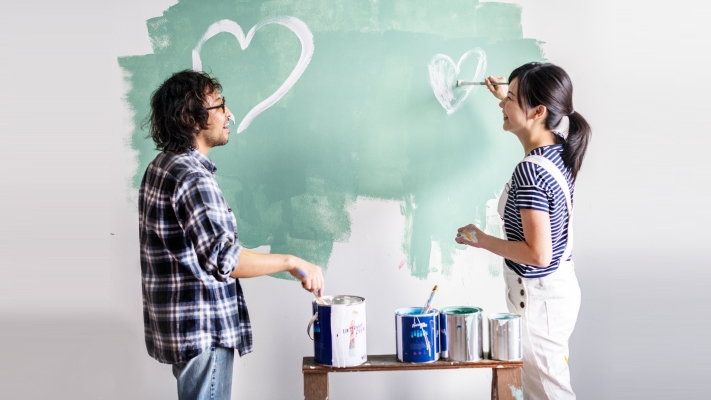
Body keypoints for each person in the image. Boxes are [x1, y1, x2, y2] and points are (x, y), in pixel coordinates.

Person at [139, 70, 325, 400]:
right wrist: (291, 261)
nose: (229, 114)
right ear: (191, 118)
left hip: (185, 329)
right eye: (220, 106)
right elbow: (224, 259)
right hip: (202, 330)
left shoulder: (162, 165)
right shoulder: (192, 177)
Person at [455, 62, 591, 399]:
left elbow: (537, 254)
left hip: (538, 301)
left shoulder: (529, 172)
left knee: (548, 392)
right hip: (555, 296)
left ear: (538, 111)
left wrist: (483, 240)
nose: (503, 104)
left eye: (511, 99)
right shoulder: (559, 148)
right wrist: (509, 96)